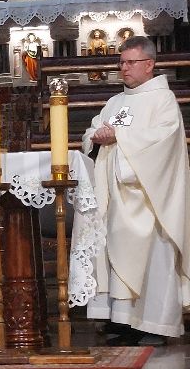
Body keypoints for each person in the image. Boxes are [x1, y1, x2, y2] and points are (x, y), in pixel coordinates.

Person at [82, 36, 190, 346]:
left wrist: (119, 137)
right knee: (116, 257)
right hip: (116, 197)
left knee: (153, 260)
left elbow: (162, 141)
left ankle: (155, 326)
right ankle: (124, 323)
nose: (124, 68)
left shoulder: (162, 100)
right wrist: (97, 136)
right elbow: (93, 131)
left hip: (149, 198)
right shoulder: (116, 102)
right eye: (121, 62)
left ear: (149, 64)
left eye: (131, 62)